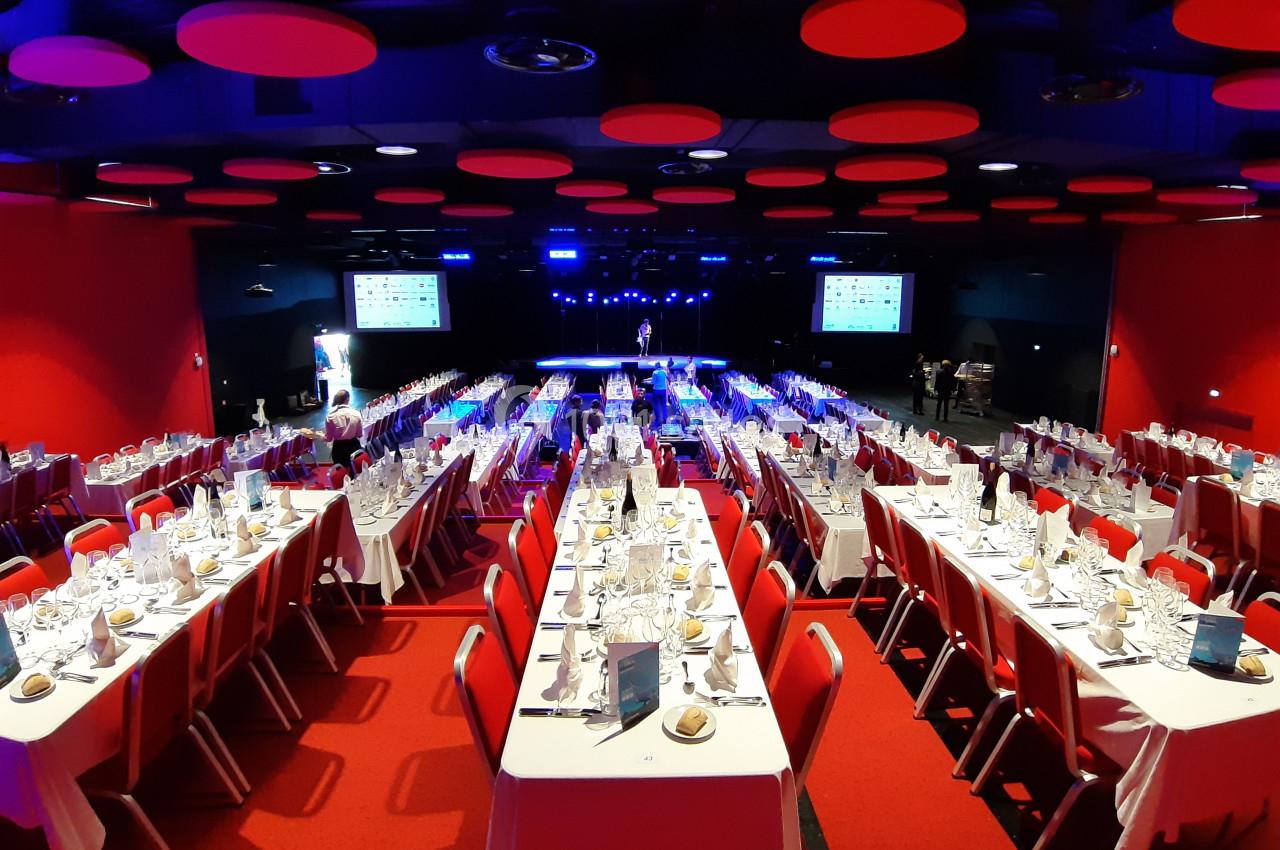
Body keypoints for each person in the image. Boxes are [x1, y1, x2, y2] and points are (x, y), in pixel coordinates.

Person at [302, 389, 364, 471]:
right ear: (347, 399)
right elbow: (359, 434)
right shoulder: (356, 413)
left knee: (341, 473)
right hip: (354, 446)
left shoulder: (331, 417)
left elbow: (329, 438)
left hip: (339, 448)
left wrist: (318, 435)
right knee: (356, 472)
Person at [649, 362, 669, 426]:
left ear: (656, 366)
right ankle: (665, 418)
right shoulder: (664, 372)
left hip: (656, 390)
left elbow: (653, 382)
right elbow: (666, 378)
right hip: (663, 390)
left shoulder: (655, 372)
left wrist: (648, 382)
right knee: (663, 405)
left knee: (655, 404)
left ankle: (657, 419)